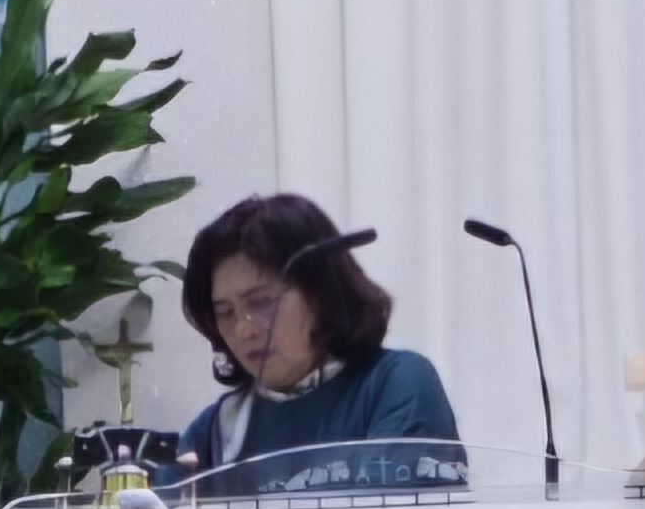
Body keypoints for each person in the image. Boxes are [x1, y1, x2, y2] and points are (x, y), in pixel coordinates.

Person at [176, 194, 461, 491]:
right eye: (225, 313)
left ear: (322, 294)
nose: (242, 329)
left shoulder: (393, 384)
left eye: (261, 303)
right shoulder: (218, 431)